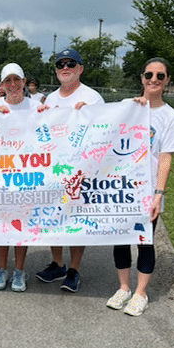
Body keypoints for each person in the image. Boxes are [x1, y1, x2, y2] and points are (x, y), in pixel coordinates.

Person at [106, 57, 174, 315]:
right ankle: (123, 287)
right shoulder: (125, 107)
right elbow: (96, 126)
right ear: (142, 78)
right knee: (120, 239)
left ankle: (140, 292)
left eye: (160, 76)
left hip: (148, 191)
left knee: (144, 241)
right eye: (149, 74)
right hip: (121, 188)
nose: (154, 79)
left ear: (167, 81)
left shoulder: (170, 117)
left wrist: (158, 194)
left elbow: (165, 158)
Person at [36, 47, 104, 292]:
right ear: (56, 71)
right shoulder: (50, 99)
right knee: (54, 217)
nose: (65, 68)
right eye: (60, 64)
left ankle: (74, 268)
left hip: (80, 171)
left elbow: (105, 131)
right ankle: (57, 263)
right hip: (53, 170)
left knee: (75, 220)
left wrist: (90, 115)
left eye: (71, 64)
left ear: (80, 68)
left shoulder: (93, 97)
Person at [0, 62, 36, 292]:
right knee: (2, 224)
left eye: (17, 80)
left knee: (21, 225)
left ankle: (19, 270)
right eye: (8, 81)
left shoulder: (36, 107)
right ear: (2, 85)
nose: (13, 85)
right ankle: (1, 268)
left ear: (24, 82)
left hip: (27, 176)